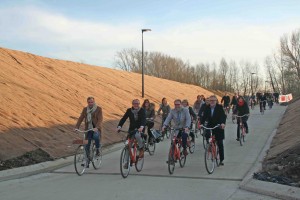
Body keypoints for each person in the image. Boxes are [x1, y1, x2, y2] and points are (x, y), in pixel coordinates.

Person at [75, 96, 103, 163]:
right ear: (87, 102)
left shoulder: (98, 109)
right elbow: (81, 118)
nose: (90, 103)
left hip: (96, 128)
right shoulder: (85, 109)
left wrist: (97, 127)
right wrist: (77, 127)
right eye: (89, 102)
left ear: (94, 101)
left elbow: (100, 119)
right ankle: (87, 158)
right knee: (87, 143)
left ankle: (97, 150)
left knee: (96, 136)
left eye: (92, 102)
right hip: (88, 129)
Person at [201, 95, 226, 166]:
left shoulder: (220, 107)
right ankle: (209, 146)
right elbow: (204, 117)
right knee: (207, 135)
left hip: (218, 125)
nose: (211, 102)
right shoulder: (207, 107)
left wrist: (222, 123)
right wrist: (201, 124)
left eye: (213, 100)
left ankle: (221, 159)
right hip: (210, 125)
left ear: (216, 101)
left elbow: (223, 116)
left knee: (220, 143)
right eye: (210, 100)